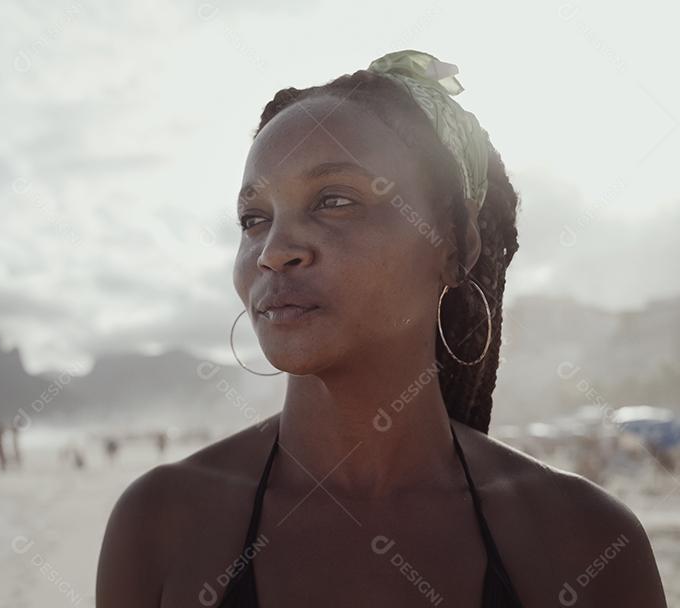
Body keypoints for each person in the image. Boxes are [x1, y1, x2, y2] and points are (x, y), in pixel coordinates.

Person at [96, 50, 667, 607]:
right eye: (254, 219)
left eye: (334, 201)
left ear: (455, 244)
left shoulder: (588, 543)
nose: (274, 251)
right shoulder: (163, 524)